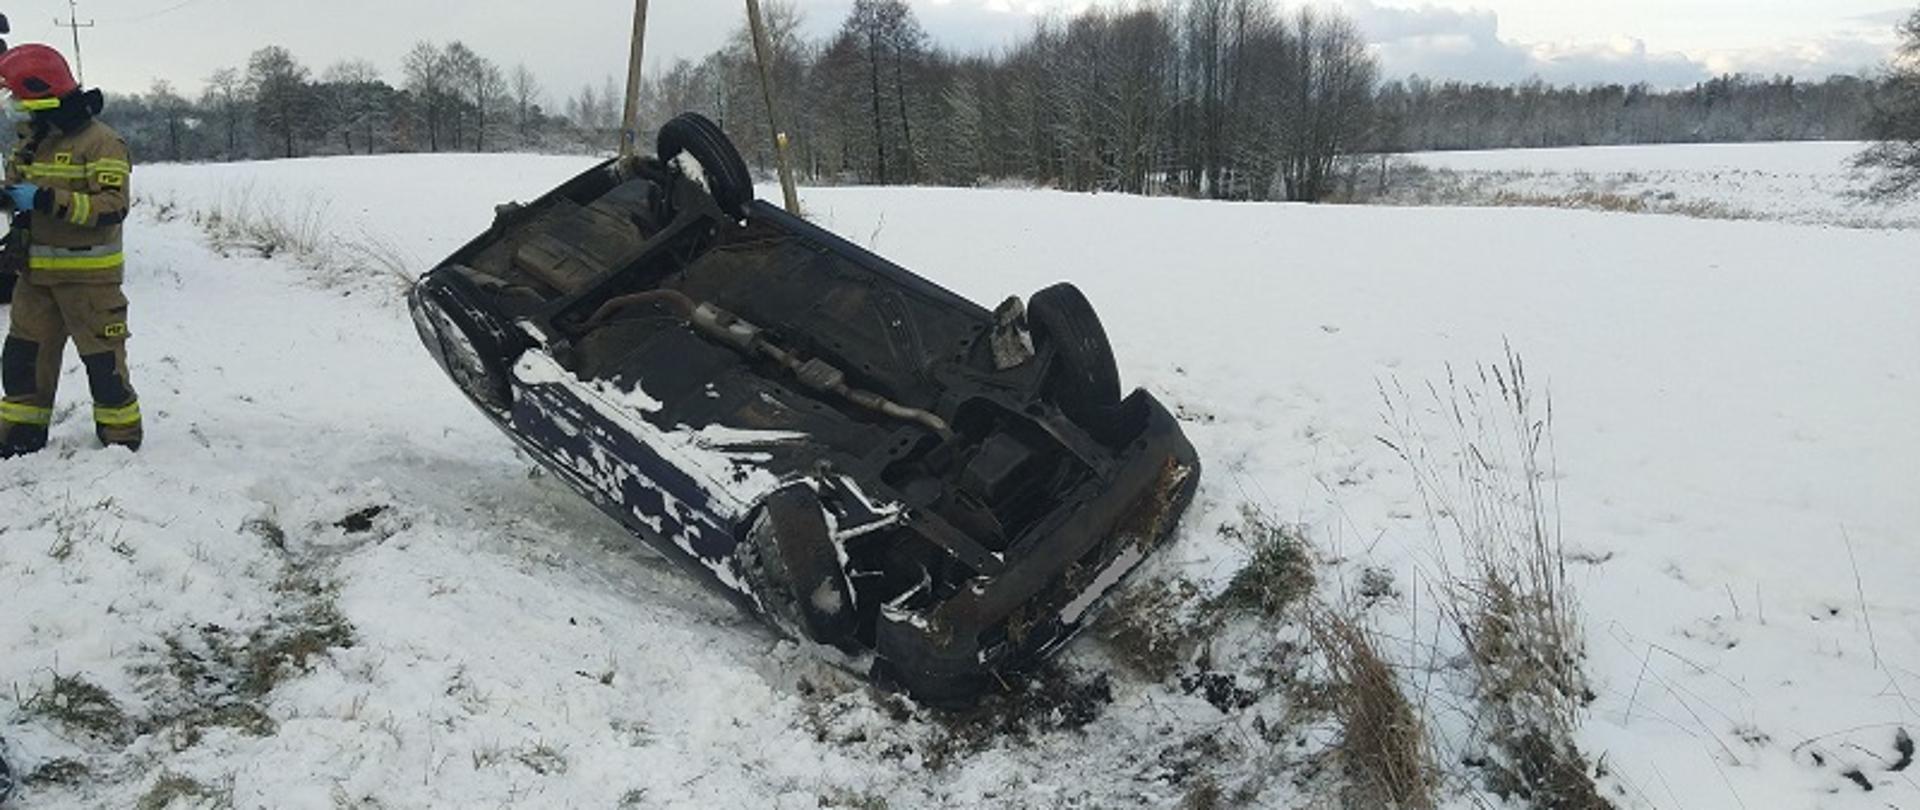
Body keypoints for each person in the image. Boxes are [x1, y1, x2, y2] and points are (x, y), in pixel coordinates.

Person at [0, 44, 138, 458]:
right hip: (35, 279)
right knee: (23, 362)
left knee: (104, 366)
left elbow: (112, 207)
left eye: (18, 95)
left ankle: (120, 440)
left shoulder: (101, 143)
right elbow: (16, 188)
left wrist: (45, 199)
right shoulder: (32, 140)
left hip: (89, 282)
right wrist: (7, 197)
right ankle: (19, 436)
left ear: (42, 93)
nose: (13, 104)